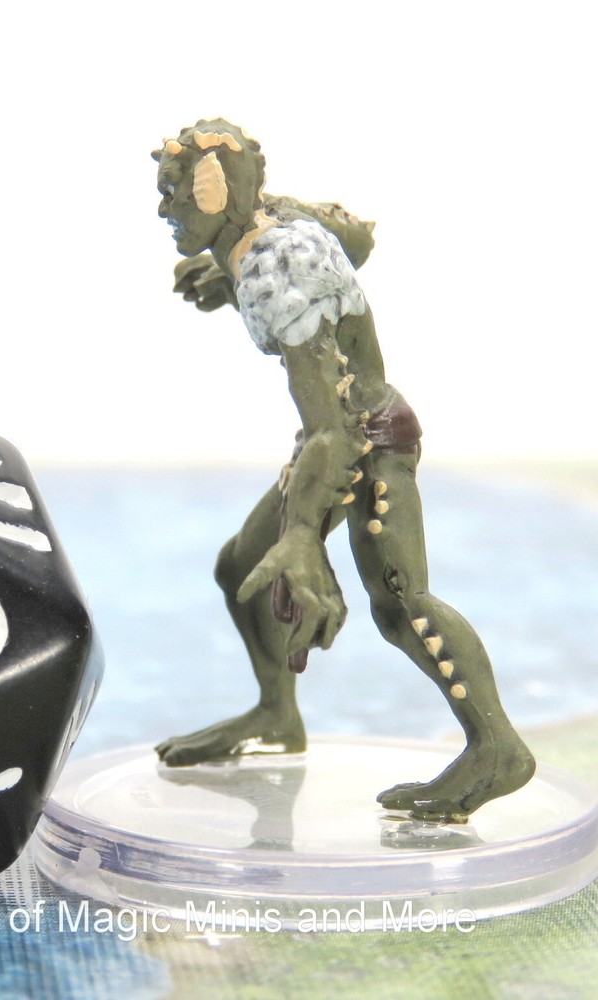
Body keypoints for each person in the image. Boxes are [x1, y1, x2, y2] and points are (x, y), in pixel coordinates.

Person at [152, 119, 534, 820]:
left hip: (367, 441)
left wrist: (303, 534)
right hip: (333, 434)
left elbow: (333, 427)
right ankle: (276, 713)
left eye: (176, 194)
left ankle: (498, 747)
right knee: (243, 566)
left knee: (403, 604)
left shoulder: (276, 270)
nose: (164, 210)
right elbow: (357, 240)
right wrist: (226, 277)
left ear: (215, 192)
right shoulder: (272, 221)